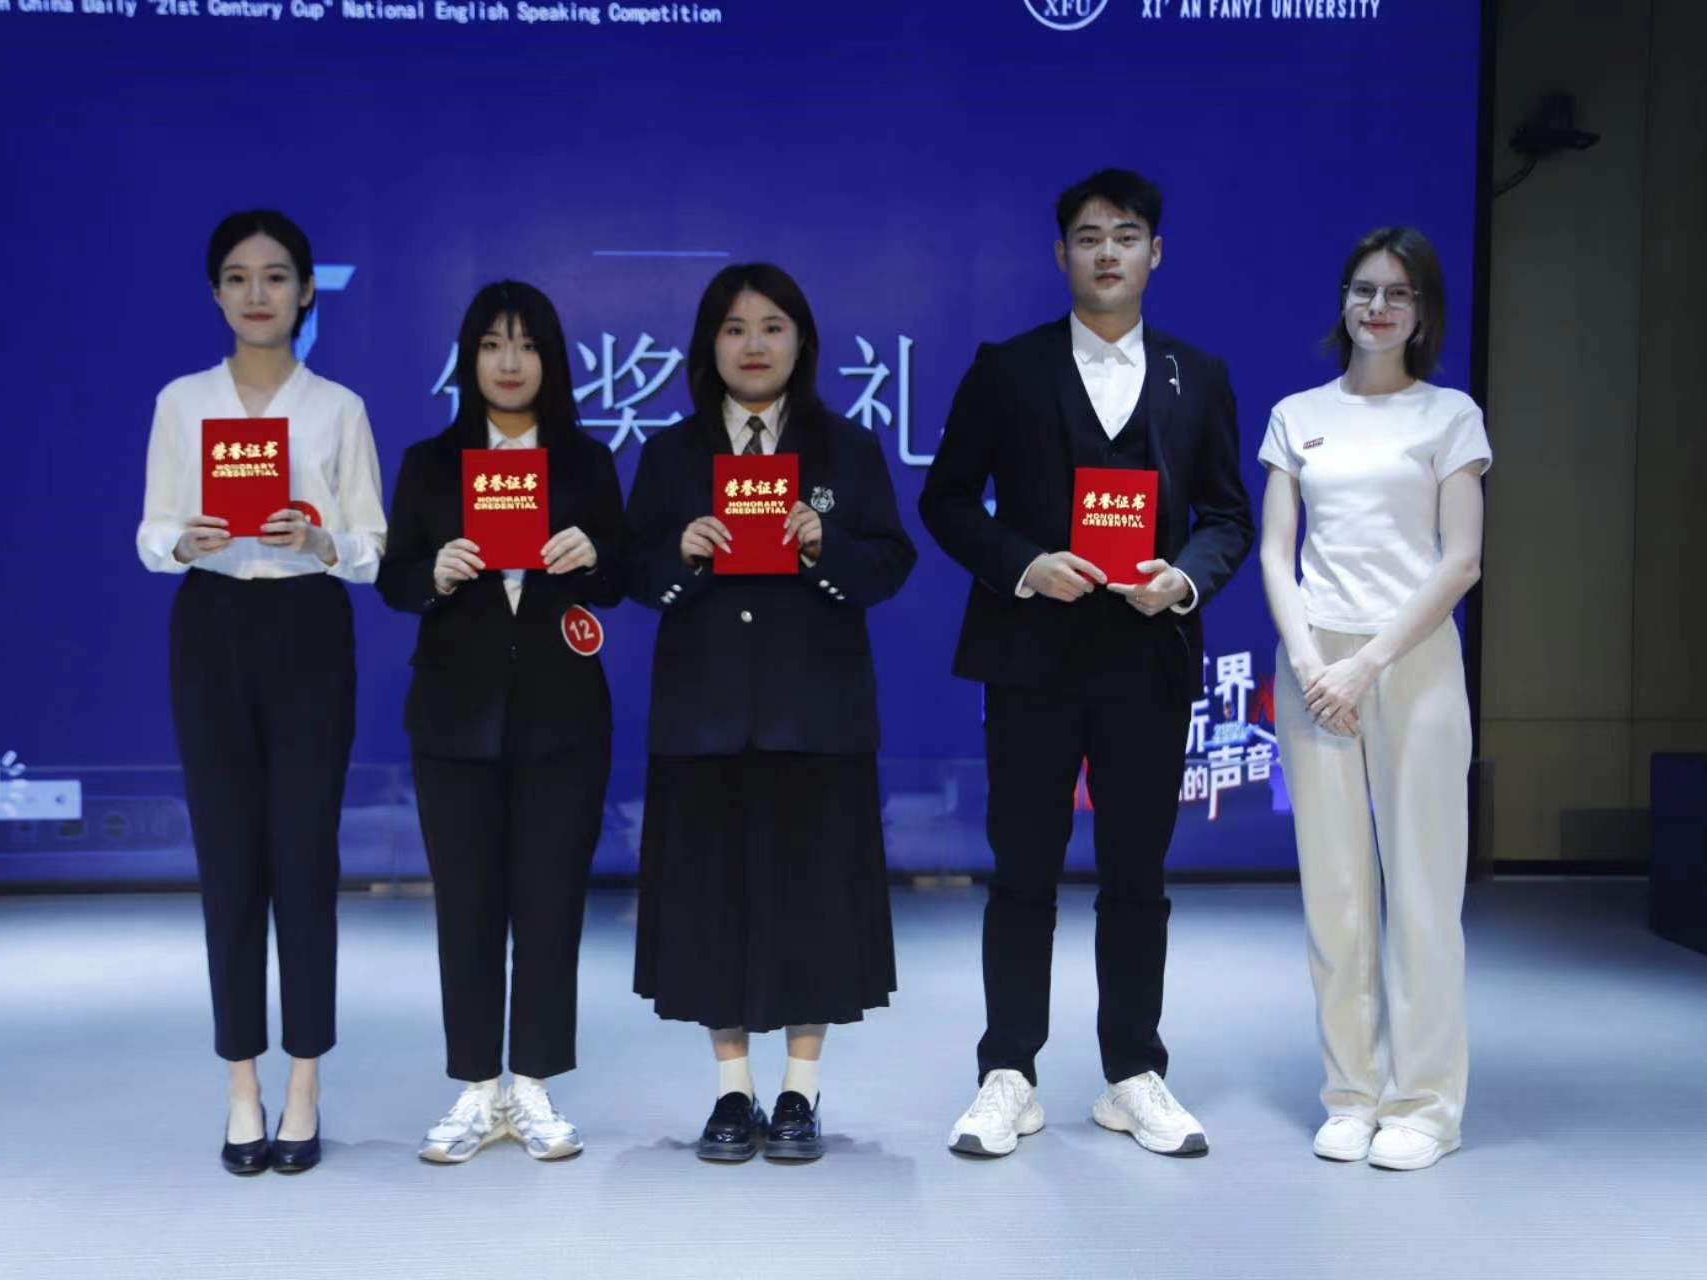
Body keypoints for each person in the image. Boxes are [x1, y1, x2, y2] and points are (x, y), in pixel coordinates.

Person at [921, 169, 1253, 1159]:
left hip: (1147, 656)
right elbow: (946, 500)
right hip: (1030, 654)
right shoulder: (1007, 368)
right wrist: (1023, 563)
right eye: (1089, 236)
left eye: (1128, 234)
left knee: (1136, 875)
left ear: (1157, 253)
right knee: (1021, 869)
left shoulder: (1200, 374)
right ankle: (1008, 1073)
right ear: (1060, 253)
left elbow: (1228, 515)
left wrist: (1183, 579)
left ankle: (1133, 1072)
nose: (1108, 251)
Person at [626, 263, 915, 1162]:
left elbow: (892, 563)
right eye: (735, 328)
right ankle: (732, 1090)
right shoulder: (671, 453)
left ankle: (799, 1089)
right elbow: (631, 570)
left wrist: (827, 547)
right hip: (703, 715)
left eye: (772, 327)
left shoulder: (847, 448)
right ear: (709, 345)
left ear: (802, 342)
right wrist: (680, 552)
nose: (754, 345)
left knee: (812, 902)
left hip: (816, 713)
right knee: (711, 903)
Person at [136, 209, 386, 1175]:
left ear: (306, 291)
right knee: (229, 860)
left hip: (308, 627)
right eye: (237, 277)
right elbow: (150, 529)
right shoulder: (181, 402)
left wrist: (320, 540)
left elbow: (371, 547)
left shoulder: (339, 407)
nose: (257, 293)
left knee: (305, 859)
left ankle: (304, 1083)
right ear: (214, 293)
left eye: (276, 276)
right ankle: (241, 1085)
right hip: (211, 625)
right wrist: (181, 541)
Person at [377, 281, 625, 1164]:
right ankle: (478, 1088)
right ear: (468, 359)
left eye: (526, 344)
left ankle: (536, 1086)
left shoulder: (587, 463)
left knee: (552, 907)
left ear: (550, 359)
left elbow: (623, 576)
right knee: (467, 908)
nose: (509, 362)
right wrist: (434, 572)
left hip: (563, 718)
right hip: (454, 717)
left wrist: (594, 554)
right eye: (491, 344)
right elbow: (393, 579)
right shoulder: (430, 463)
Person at [1257, 226, 1488, 1172]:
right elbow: (1276, 551)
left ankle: (1426, 1105)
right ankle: (1351, 1094)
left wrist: (1369, 664)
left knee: (1423, 890)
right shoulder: (1297, 415)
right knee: (1336, 894)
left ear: (1422, 310)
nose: (1378, 307)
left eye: (1398, 293)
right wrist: (1314, 660)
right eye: (1363, 290)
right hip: (1315, 664)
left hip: (1414, 662)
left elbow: (1461, 561)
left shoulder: (1450, 416)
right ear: (1344, 301)